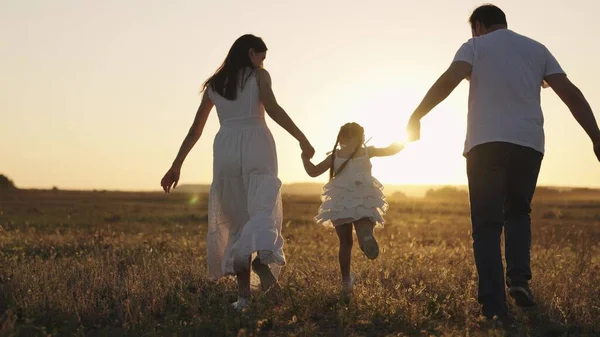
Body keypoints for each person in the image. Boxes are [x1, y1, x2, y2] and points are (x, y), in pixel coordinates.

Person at [406, 4, 600, 320]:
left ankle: (495, 308)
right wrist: (596, 135)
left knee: (486, 226)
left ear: (479, 26)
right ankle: (519, 280)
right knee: (519, 212)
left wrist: (416, 116)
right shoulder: (537, 50)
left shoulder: (474, 46)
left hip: (485, 145)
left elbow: (449, 80)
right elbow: (571, 93)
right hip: (528, 145)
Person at [160, 34, 315, 311]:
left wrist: (176, 164)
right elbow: (274, 109)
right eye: (262, 57)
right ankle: (261, 257)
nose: (263, 62)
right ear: (252, 53)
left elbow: (196, 131)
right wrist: (301, 137)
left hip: (226, 147)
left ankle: (243, 297)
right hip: (256, 141)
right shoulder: (258, 76)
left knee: (236, 221)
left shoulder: (215, 84)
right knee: (263, 206)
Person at [300, 122, 404, 293]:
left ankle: (346, 281)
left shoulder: (334, 156)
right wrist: (406, 138)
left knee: (345, 243)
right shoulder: (367, 151)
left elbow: (313, 171)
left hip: (340, 201)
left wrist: (304, 157)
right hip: (363, 198)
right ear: (362, 137)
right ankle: (366, 237)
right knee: (364, 228)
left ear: (340, 138)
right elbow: (391, 149)